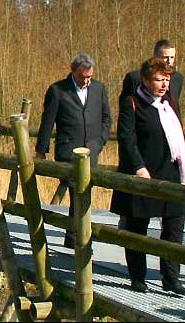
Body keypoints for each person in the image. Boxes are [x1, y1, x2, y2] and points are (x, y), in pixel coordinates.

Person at [111, 57, 185, 295]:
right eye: (158, 79)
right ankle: (137, 277)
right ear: (145, 80)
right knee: (137, 227)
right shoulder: (132, 103)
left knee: (174, 228)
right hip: (144, 174)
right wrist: (138, 168)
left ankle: (171, 278)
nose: (164, 84)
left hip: (171, 173)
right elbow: (127, 139)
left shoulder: (170, 104)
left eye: (167, 79)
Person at [35, 52, 112, 249]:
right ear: (73, 72)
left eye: (89, 77)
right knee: (76, 192)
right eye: (82, 77)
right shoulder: (58, 90)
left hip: (91, 151)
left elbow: (106, 118)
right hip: (69, 151)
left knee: (84, 193)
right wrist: (41, 150)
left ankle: (73, 236)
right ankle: (78, 238)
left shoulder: (99, 89)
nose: (86, 81)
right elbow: (47, 122)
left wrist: (100, 142)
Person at [120, 39, 183, 106]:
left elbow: (175, 105)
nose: (169, 61)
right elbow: (126, 105)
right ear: (155, 56)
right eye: (165, 57)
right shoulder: (135, 78)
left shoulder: (177, 78)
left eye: (172, 57)